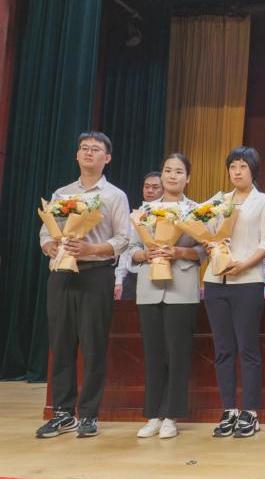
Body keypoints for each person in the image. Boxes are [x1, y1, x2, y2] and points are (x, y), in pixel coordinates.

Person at [36, 131, 130, 438]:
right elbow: (45, 231)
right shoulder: (62, 193)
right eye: (84, 148)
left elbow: (124, 239)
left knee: (93, 345)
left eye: (96, 149)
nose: (89, 153)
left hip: (96, 274)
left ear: (107, 158)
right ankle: (63, 413)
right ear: (77, 155)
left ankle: (89, 413)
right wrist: (50, 245)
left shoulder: (115, 196)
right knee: (61, 344)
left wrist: (93, 249)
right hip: (62, 274)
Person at [128, 154, 204, 439]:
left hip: (181, 289)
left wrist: (179, 251)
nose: (172, 176)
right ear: (161, 176)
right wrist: (145, 254)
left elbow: (205, 249)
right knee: (153, 354)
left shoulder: (196, 211)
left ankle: (171, 415)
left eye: (179, 171)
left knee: (178, 354)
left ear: (188, 178)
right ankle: (153, 415)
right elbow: (130, 250)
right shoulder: (144, 210)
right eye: (168, 171)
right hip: (149, 288)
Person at [203, 146, 265, 438]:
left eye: (243, 166)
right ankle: (229, 410)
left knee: (247, 349)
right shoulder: (217, 201)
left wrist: (243, 264)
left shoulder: (264, 202)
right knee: (223, 350)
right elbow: (206, 233)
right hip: (215, 281)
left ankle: (250, 412)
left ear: (253, 170)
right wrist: (209, 244)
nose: (237, 171)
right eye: (233, 166)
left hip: (248, 281)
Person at [115, 171, 163, 301]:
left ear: (164, 189)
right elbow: (126, 249)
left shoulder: (171, 214)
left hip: (162, 273)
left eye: (155, 187)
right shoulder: (135, 215)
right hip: (134, 275)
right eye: (146, 186)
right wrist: (119, 280)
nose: (150, 190)